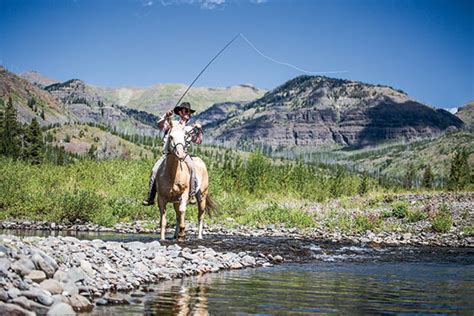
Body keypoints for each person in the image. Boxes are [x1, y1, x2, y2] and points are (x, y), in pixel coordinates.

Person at [143, 102, 203, 206]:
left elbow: (198, 141)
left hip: (184, 154)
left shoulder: (189, 129)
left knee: (192, 168)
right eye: (186, 111)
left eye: (189, 112)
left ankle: (192, 194)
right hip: (168, 154)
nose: (188, 113)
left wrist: (199, 129)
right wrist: (166, 116)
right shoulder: (172, 123)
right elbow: (160, 125)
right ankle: (150, 196)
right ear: (180, 112)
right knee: (154, 170)